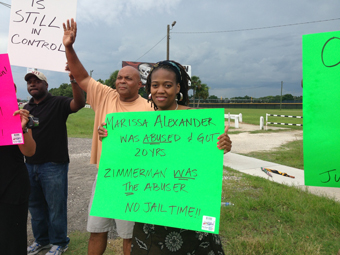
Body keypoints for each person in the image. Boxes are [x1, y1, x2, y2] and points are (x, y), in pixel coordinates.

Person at [98, 60, 232, 254]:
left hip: (188, 212)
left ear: (178, 87)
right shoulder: (140, 123)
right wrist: (110, 141)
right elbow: (129, 161)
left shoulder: (198, 120)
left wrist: (224, 145)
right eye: (155, 85)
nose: (161, 90)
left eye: (167, 85)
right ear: (149, 88)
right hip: (151, 213)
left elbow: (206, 160)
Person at [62, 18, 154, 255]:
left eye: (128, 78)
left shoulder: (150, 108)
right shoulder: (106, 96)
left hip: (135, 181)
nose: (122, 81)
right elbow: (82, 77)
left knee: (129, 235)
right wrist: (69, 47)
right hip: (106, 177)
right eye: (119, 77)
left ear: (141, 85)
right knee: (96, 230)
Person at [24, 70, 85, 255]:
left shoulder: (58, 102)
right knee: (35, 207)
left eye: (37, 81)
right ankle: (41, 241)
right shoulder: (26, 108)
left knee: (55, 207)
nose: (32, 84)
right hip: (30, 164)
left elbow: (79, 103)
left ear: (46, 85)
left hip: (53, 164)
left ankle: (59, 242)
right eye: (29, 82)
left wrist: (74, 80)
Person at [0, 109, 36, 255]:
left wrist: (22, 128)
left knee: (12, 240)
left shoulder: (18, 117)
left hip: (12, 186)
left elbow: (30, 151)